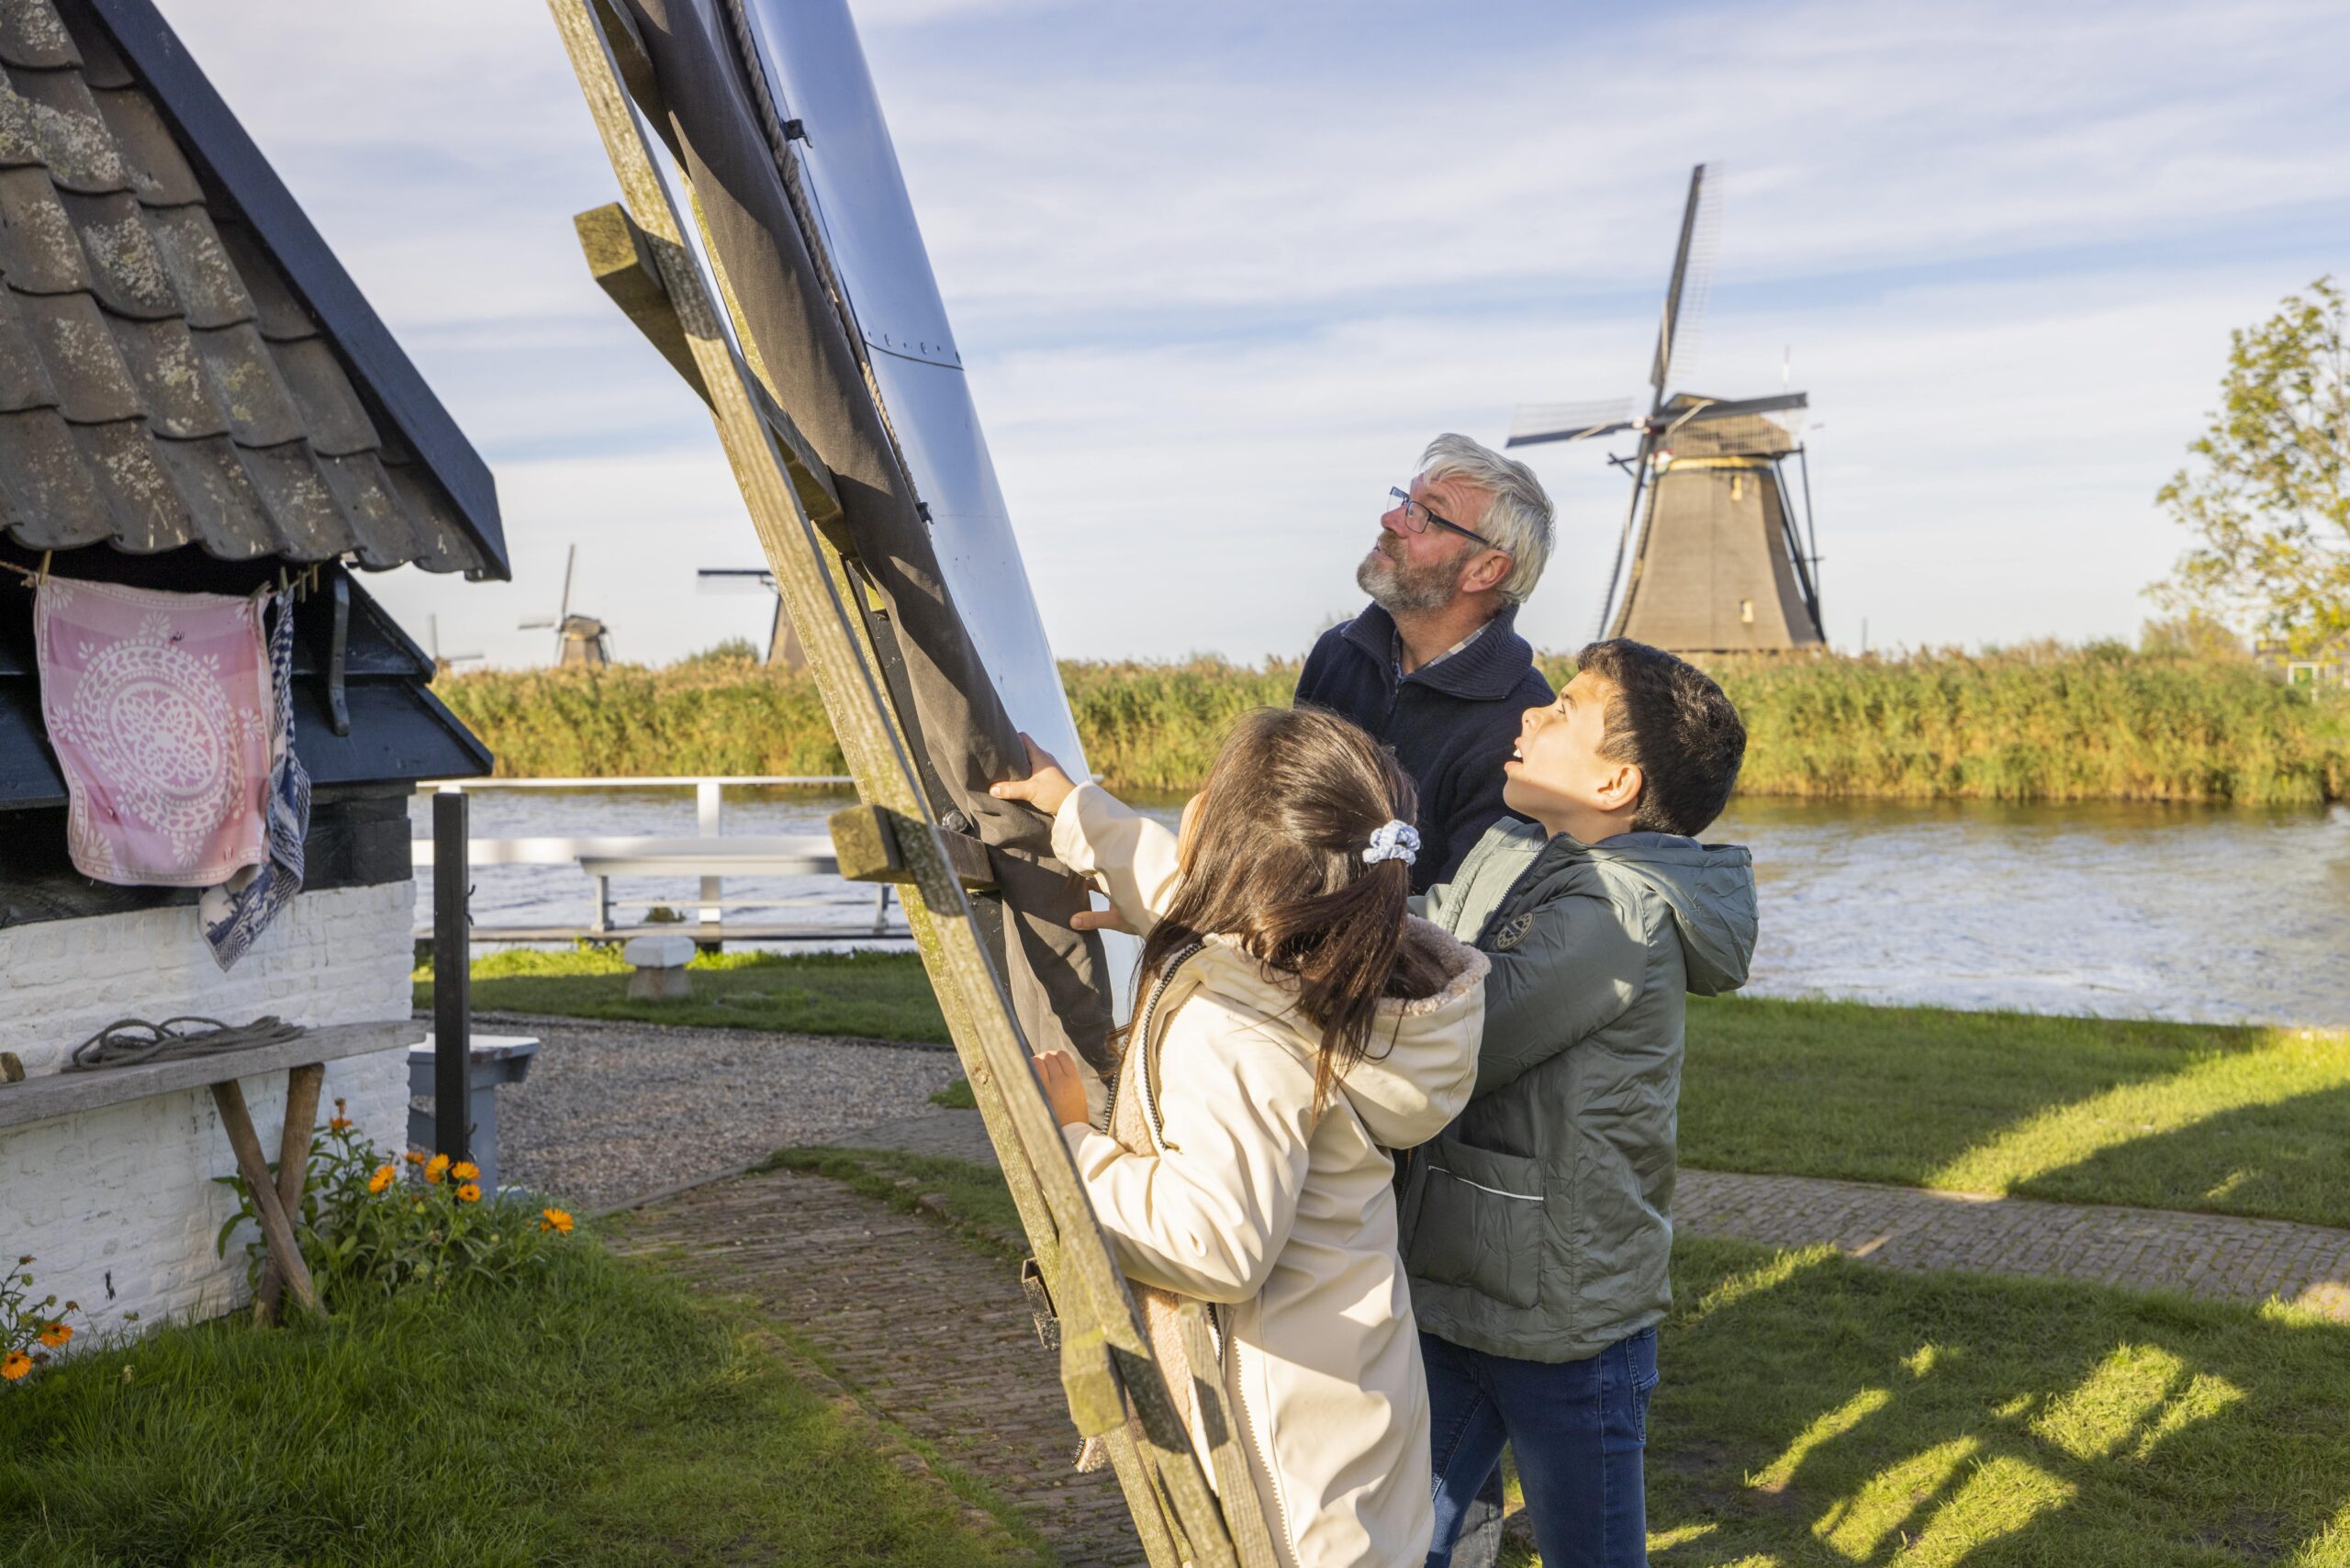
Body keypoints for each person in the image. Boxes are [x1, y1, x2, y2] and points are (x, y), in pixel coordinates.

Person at [992, 708, 1490, 1568]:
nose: (1188, 802)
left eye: (1208, 793)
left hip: (1286, 1464)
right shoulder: (1335, 963)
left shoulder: (1233, 1026)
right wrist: (1077, 811)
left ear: (1236, 851)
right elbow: (1198, 898)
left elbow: (1216, 1240)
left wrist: (1073, 1145)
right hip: (1346, 1403)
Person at [1404, 639, 1757, 1568]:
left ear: (1613, 784)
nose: (1527, 715)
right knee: (1398, 1543)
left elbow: (1459, 1043)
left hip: (1566, 1316)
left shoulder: (1613, 909)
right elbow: (1417, 933)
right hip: (1462, 1279)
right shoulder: (1515, 847)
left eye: (1561, 709)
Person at [1295, 434, 1557, 892]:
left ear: (1485, 570)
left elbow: (1463, 921)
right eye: (1404, 500)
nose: (1391, 519)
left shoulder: (1522, 723)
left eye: (1426, 515)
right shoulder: (1337, 652)